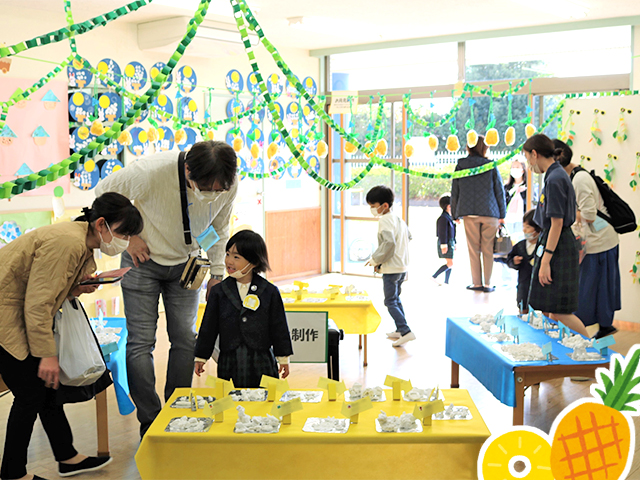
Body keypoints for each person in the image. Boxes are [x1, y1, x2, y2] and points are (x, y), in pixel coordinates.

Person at [95, 140, 238, 437]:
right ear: (187, 170)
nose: (211, 196)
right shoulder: (150, 172)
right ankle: (150, 421)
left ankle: (176, 410)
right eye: (205, 188)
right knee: (140, 342)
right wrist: (129, 239)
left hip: (187, 266)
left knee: (186, 339)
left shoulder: (227, 182)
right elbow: (102, 195)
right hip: (141, 263)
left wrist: (217, 273)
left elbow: (221, 227)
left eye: (218, 190)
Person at [0, 193, 143, 480]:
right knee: (29, 395)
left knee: (46, 390)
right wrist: (48, 354)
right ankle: (13, 473)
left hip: (20, 314)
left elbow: (51, 288)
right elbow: (38, 303)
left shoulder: (81, 242)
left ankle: (67, 457)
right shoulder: (67, 242)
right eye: (123, 233)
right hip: (7, 317)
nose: (125, 241)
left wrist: (78, 287)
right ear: (101, 224)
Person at [194, 230, 293, 387]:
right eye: (227, 254)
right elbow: (209, 327)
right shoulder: (219, 292)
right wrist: (201, 356)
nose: (229, 261)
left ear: (253, 262)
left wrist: (283, 358)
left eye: (236, 257)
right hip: (229, 358)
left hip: (261, 357)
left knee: (264, 400)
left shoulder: (269, 291)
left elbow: (279, 326)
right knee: (230, 401)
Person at [523, 134, 589, 338]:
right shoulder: (554, 175)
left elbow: (557, 223)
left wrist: (546, 261)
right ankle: (558, 356)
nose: (528, 164)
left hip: (558, 245)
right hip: (554, 243)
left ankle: (593, 352)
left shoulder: (555, 179)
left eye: (527, 158)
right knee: (551, 309)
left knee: (561, 312)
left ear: (535, 154)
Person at [555, 139, 621, 339]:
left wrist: (565, 213)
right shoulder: (575, 176)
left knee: (587, 289)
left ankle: (583, 334)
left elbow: (590, 215)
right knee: (595, 288)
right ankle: (596, 330)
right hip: (596, 242)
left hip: (599, 242)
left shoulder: (579, 180)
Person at [451, 136, 507, 292]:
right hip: (490, 212)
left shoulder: (461, 165)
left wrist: (455, 214)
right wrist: (502, 214)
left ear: (469, 146)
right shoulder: (490, 165)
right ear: (484, 147)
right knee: (488, 249)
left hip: (469, 212)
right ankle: (488, 284)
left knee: (474, 250)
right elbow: (499, 191)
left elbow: (455, 191)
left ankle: (477, 283)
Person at [365, 185, 415, 347]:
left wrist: (375, 260)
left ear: (384, 205)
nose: (372, 210)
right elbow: (409, 236)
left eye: (373, 206)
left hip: (392, 268)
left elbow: (388, 243)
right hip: (402, 266)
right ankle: (400, 329)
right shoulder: (398, 219)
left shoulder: (385, 221)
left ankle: (406, 331)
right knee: (395, 298)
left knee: (389, 301)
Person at [507, 209, 541, 314]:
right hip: (523, 285)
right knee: (523, 307)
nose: (524, 230)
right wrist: (513, 261)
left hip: (539, 286)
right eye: (523, 227)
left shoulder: (543, 246)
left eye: (528, 227)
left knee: (540, 310)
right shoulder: (520, 246)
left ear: (538, 229)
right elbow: (509, 260)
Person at [432, 194, 456, 285]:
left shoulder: (448, 217)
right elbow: (442, 232)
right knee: (450, 263)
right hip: (446, 242)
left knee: (450, 262)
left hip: (450, 242)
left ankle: (446, 281)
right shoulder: (443, 218)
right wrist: (443, 244)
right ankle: (434, 276)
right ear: (448, 206)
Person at [504, 157, 528, 243]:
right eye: (513, 167)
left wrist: (522, 192)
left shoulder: (527, 187)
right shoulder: (507, 188)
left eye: (517, 167)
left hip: (521, 219)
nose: (515, 169)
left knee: (521, 242)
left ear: (523, 170)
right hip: (509, 219)